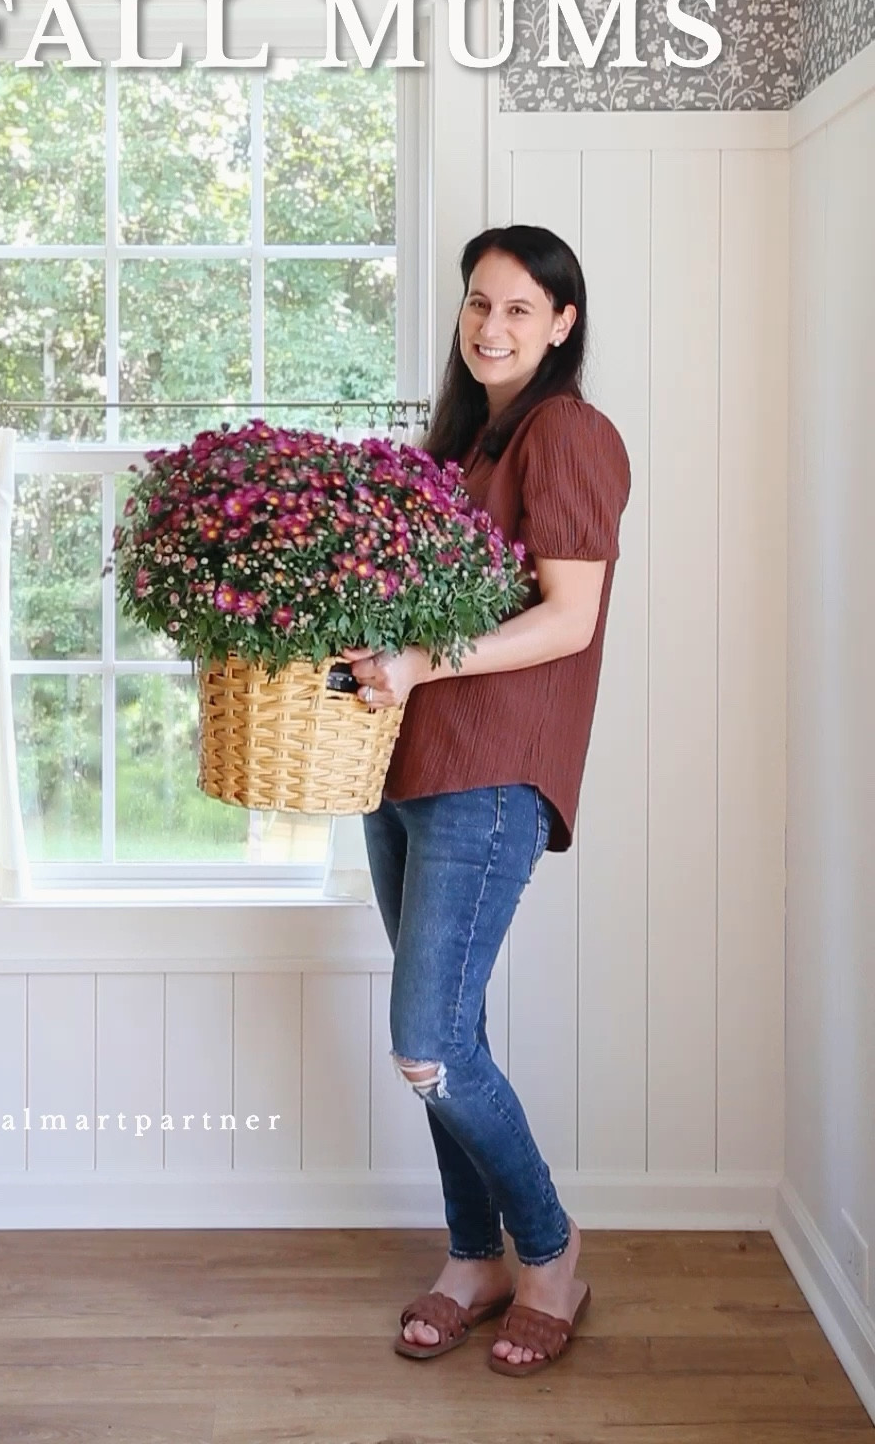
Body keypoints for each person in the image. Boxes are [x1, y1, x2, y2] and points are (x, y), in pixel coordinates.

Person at [344, 223, 631, 1379]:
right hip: (405, 768)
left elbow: (570, 617)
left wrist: (423, 661)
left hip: (490, 772)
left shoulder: (569, 434)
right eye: (478, 303)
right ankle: (474, 1258)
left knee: (429, 1046)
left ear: (562, 323)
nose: (491, 326)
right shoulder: (465, 445)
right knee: (451, 1037)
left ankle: (550, 1254)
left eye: (519, 308)